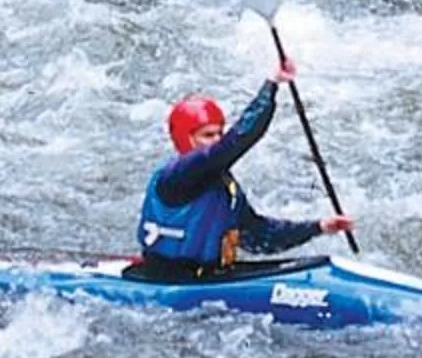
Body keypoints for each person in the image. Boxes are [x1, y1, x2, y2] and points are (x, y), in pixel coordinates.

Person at [133, 58, 353, 275]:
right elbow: (238, 140)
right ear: (185, 138)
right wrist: (271, 85)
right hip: (167, 280)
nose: (217, 140)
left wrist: (320, 227)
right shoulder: (177, 177)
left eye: (220, 133)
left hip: (210, 277)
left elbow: (260, 236)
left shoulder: (224, 188)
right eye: (208, 135)